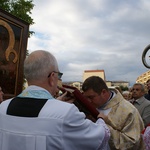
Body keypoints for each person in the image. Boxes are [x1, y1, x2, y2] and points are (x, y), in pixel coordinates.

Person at [0, 50, 110, 150]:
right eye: (58, 75)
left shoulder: (2, 108)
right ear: (52, 77)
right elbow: (100, 137)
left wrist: (56, 103)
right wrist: (101, 120)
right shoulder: (66, 113)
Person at [82, 76, 145, 150]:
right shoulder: (92, 106)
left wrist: (103, 125)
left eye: (91, 97)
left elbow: (132, 143)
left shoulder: (128, 110)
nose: (88, 101)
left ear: (103, 92)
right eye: (86, 98)